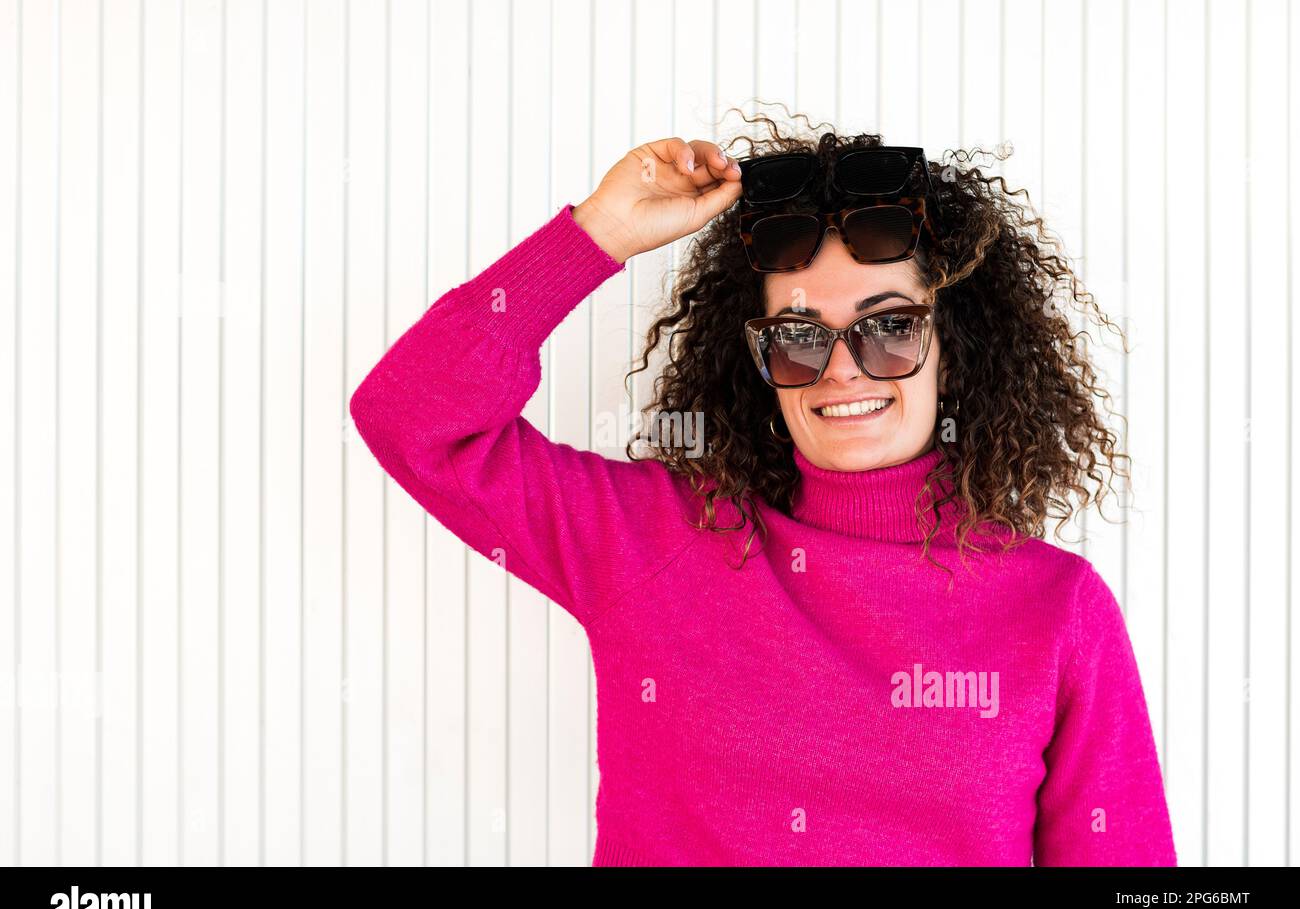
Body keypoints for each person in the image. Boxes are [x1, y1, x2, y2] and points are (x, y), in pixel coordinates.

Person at [349, 112, 1177, 866]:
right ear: (760, 365)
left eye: (890, 327)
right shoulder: (657, 538)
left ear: (954, 346)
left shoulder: (1055, 607)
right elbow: (411, 417)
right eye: (798, 338)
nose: (842, 369)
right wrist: (595, 235)